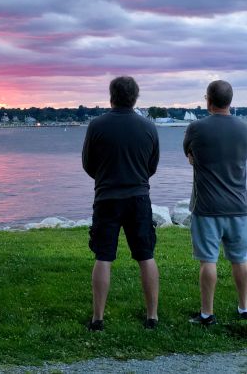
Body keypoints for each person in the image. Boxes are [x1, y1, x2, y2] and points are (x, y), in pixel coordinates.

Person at [82, 76, 160, 331]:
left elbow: (88, 163)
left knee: (104, 256)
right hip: (138, 197)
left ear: (111, 96)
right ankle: (152, 316)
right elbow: (152, 165)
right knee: (146, 256)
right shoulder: (148, 128)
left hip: (107, 197)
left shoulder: (96, 126)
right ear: (135, 97)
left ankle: (98, 318)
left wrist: (106, 177)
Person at [184, 80, 247, 325]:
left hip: (207, 207)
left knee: (208, 260)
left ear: (208, 100)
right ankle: (244, 308)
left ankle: (207, 313)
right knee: (241, 258)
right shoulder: (245, 129)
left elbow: (189, 154)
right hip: (239, 206)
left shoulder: (196, 128)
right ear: (230, 101)